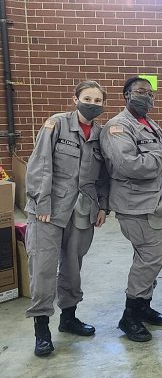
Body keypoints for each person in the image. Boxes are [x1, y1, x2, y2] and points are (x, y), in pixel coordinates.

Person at [25, 80, 109, 358]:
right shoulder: (57, 124)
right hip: (49, 209)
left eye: (98, 100)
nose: (93, 104)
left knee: (73, 267)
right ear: (75, 98)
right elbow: (40, 164)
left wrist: (103, 207)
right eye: (88, 98)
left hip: (83, 210)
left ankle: (69, 318)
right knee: (44, 269)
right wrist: (42, 202)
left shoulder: (100, 134)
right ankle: (42, 330)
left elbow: (103, 177)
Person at [100, 77, 162, 343]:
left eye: (150, 93)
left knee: (155, 259)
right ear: (126, 95)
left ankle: (144, 306)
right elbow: (128, 166)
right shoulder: (118, 127)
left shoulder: (151, 124)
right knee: (148, 260)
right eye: (139, 92)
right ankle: (130, 317)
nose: (146, 97)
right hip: (137, 206)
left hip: (157, 203)